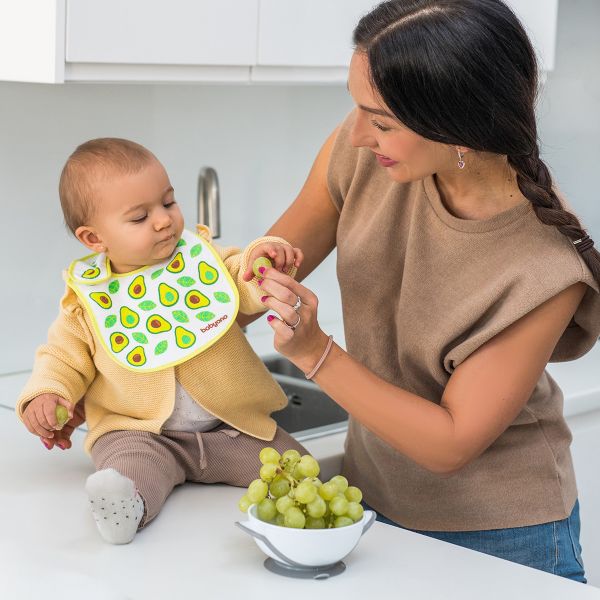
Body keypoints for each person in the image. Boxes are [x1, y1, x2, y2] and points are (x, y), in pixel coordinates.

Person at [239, 0, 600, 583]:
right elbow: (260, 275)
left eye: (382, 122)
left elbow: (449, 444)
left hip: (501, 536)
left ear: (460, 126)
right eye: (358, 108)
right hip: (370, 502)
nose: (358, 134)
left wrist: (315, 353)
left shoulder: (545, 263)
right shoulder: (367, 156)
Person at [16, 138, 306, 544]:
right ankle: (126, 509)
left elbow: (240, 275)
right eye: (140, 217)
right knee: (127, 471)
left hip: (229, 429)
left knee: (295, 469)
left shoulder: (200, 260)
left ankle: (309, 514)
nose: (163, 221)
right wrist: (47, 394)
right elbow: (61, 357)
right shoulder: (89, 302)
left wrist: (264, 258)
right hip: (140, 434)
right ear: (94, 238)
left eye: (168, 202)